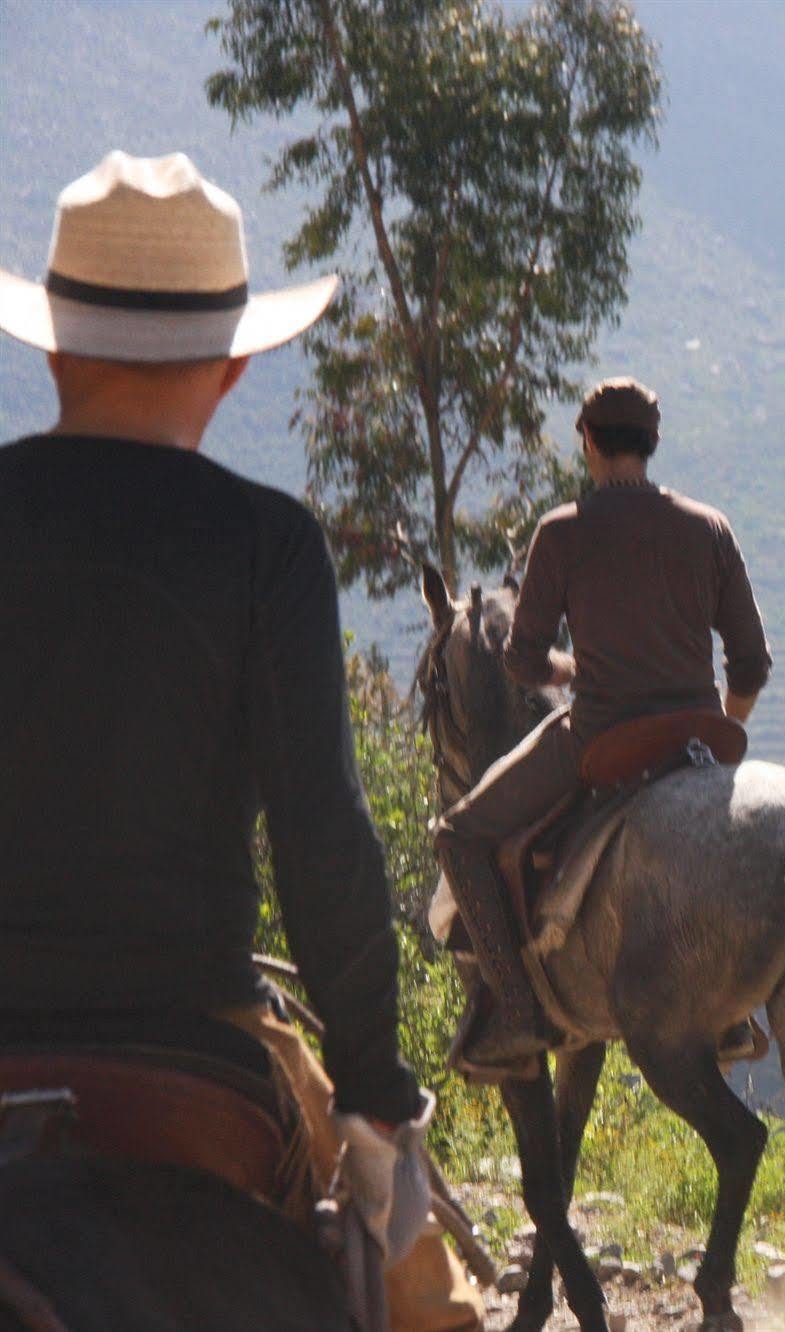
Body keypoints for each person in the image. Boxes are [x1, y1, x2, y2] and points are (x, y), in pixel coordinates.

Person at [0, 151, 479, 1330]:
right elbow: (325, 844)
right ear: (232, 368)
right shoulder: (265, 546)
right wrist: (370, 1089)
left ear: (51, 346)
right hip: (200, 1043)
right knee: (426, 1310)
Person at [432, 375, 772, 1079]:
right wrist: (719, 738)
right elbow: (751, 664)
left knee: (457, 835)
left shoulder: (562, 531)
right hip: (692, 744)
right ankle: (732, 1011)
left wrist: (568, 667)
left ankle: (519, 1014)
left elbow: (522, 663)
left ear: (587, 442)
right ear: (651, 444)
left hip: (598, 741)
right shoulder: (709, 528)